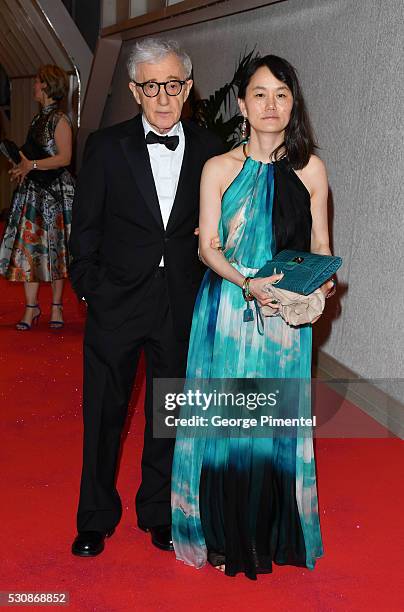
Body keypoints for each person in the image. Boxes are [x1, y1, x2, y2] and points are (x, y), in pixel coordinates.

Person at [171, 55, 336, 579]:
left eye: (282, 95)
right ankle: (224, 536)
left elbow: (321, 246)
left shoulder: (311, 169)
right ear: (241, 103)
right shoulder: (219, 168)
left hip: (285, 323)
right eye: (259, 94)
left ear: (293, 104)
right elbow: (208, 249)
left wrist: (322, 284)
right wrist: (247, 283)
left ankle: (268, 535)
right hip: (230, 310)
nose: (271, 105)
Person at [69, 38, 223, 557]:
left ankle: (158, 511)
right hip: (116, 299)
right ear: (136, 90)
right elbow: (84, 228)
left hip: (179, 303)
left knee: (168, 414)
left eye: (173, 85)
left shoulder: (209, 150)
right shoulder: (107, 146)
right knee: (104, 414)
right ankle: (94, 516)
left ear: (188, 89)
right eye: (152, 86)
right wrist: (91, 287)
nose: (163, 97)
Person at [0, 65, 74, 329]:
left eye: (36, 82)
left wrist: (30, 166)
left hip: (55, 195)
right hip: (33, 193)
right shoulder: (37, 119)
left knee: (56, 251)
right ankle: (31, 308)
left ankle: (56, 307)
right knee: (29, 251)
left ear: (45, 85)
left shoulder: (60, 120)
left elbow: (64, 158)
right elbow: (33, 157)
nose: (33, 86)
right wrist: (21, 168)